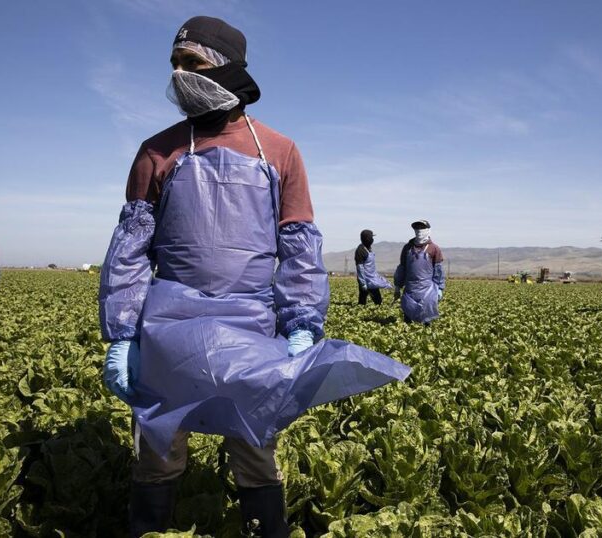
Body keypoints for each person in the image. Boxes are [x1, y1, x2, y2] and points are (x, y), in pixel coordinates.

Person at [97, 16, 409, 537]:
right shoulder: (158, 151)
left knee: (255, 449)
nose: (178, 74)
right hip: (168, 327)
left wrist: (301, 323)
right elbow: (130, 249)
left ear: (226, 66)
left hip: (250, 325)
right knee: (157, 451)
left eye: (191, 62)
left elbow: (298, 248)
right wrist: (123, 334)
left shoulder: (280, 151)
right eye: (173, 63)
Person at [393, 220, 445, 324]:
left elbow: (438, 270)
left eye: (422, 228)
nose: (419, 231)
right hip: (410, 289)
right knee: (408, 314)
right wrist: (398, 286)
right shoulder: (407, 248)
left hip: (427, 290)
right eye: (417, 228)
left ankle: (425, 335)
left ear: (428, 230)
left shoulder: (434, 248)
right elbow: (402, 268)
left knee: (426, 317)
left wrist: (440, 288)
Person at [355, 229, 391, 305]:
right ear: (367, 238)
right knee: (377, 301)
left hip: (372, 278)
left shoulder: (368, 248)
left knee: (363, 299)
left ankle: (361, 308)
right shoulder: (360, 250)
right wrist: (363, 283)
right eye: (371, 237)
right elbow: (360, 267)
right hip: (366, 279)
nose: (372, 239)